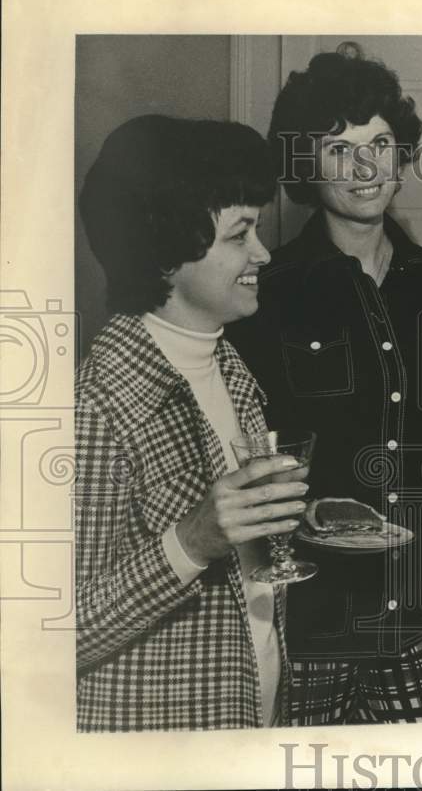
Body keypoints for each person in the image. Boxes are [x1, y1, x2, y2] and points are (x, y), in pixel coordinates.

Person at [228, 51, 422, 724]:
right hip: (305, 623)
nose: (366, 169)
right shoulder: (264, 294)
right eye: (340, 148)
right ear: (305, 164)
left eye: (380, 144)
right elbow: (242, 453)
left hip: (419, 616)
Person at [75, 114, 303, 732]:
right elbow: (55, 634)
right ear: (168, 254)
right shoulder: (96, 406)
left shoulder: (231, 369)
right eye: (240, 234)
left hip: (246, 715)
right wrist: (192, 541)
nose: (264, 252)